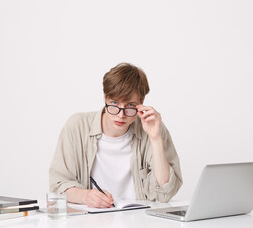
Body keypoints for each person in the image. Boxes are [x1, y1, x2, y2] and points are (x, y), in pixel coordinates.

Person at [49, 62, 182, 208]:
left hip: (139, 219)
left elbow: (164, 193)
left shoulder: (152, 126)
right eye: (114, 103)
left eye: (130, 106)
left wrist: (155, 139)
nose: (120, 115)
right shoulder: (77, 126)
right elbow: (58, 186)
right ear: (105, 97)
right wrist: (86, 196)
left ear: (141, 102)